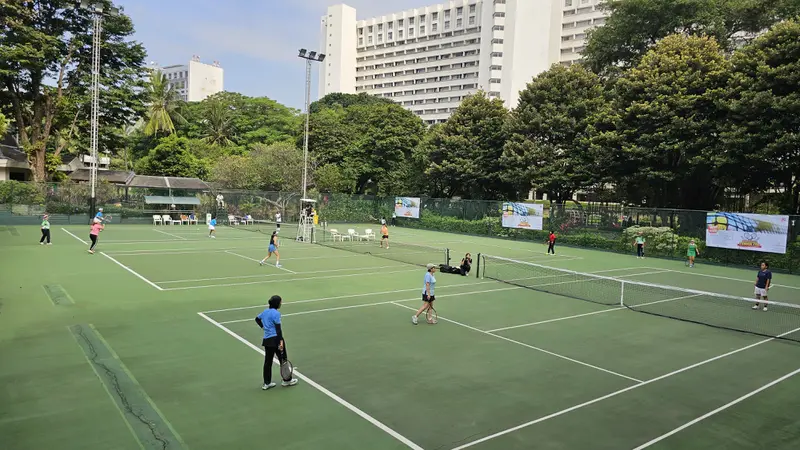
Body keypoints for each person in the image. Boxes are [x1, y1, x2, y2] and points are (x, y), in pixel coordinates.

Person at [255, 295, 298, 389]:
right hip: (276, 339)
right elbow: (278, 330)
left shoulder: (265, 312)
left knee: (268, 362)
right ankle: (287, 380)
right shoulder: (276, 314)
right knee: (283, 359)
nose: (281, 304)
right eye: (280, 302)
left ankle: (267, 383)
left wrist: (263, 327)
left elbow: (257, 319)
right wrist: (281, 342)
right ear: (277, 303)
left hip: (267, 340)